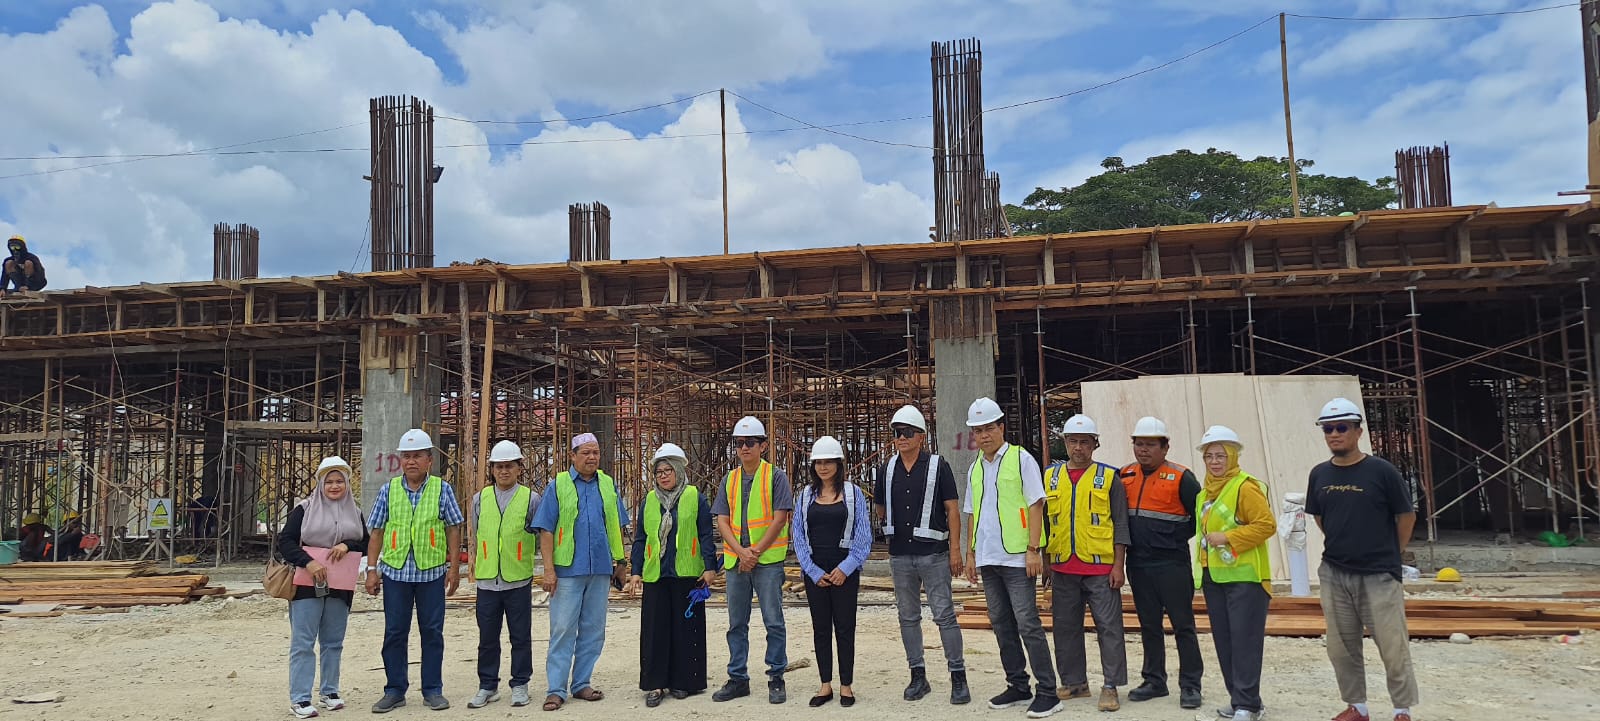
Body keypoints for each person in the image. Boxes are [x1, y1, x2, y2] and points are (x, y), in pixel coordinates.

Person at [1307, 398, 1419, 721]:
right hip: (1335, 573)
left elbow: (1406, 516)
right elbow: (1321, 518)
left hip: (1379, 575)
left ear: (1358, 431)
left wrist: (1391, 553)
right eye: (1328, 429)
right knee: (1341, 647)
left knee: (1393, 645)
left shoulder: (1381, 472)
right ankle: (1357, 707)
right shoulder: (1319, 474)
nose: (1334, 434)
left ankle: (1401, 710)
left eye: (1342, 427)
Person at [961, 397, 1062, 719]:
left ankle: (1048, 692)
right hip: (989, 558)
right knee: (1002, 624)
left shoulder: (1021, 459)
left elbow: (1036, 504)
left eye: (989, 428)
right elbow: (972, 513)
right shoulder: (976, 468)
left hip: (1018, 557)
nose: (984, 435)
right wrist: (970, 553)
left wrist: (1034, 550)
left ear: (1001, 427)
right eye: (978, 430)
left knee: (1027, 623)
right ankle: (1018, 684)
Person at [872, 404, 970, 705]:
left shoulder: (939, 466)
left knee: (944, 615)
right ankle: (918, 676)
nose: (901, 437)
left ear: (921, 437)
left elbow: (952, 510)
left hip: (934, 554)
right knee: (908, 617)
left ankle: (958, 677)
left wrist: (955, 550)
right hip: (900, 555)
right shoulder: (887, 469)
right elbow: (880, 507)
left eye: (907, 432)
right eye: (897, 433)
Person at [363, 428, 465, 713]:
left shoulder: (442, 489)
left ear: (429, 460)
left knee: (432, 632)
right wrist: (371, 569)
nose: (411, 461)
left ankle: (432, 690)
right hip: (396, 574)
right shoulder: (389, 490)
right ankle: (395, 690)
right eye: (406, 456)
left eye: (417, 456)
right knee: (395, 632)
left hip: (431, 573)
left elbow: (453, 528)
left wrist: (454, 568)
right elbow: (377, 532)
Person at [529, 432, 630, 712]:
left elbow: (616, 526)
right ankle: (556, 689)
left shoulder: (607, 484)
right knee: (563, 628)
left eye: (595, 452)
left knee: (593, 629)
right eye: (585, 453)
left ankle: (581, 683)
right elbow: (546, 529)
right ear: (572, 456)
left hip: (600, 568)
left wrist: (621, 563)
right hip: (567, 571)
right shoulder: (558, 485)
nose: (592, 457)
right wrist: (549, 570)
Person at [1043, 414, 1129, 712]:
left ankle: (1111, 686)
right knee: (1065, 628)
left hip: (1100, 568)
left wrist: (1118, 565)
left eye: (1084, 442)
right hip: (1063, 566)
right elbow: (1045, 523)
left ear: (1095, 445)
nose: (1078, 447)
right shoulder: (1050, 477)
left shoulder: (1109, 477)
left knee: (1109, 628)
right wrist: (1045, 561)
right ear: (1065, 443)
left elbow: (1120, 523)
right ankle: (1074, 682)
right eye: (1073, 441)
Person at [1192, 426, 1277, 721]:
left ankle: (1248, 705)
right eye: (1209, 456)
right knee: (1226, 642)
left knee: (1245, 643)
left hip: (1246, 579)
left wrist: (1228, 537)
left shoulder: (1245, 487)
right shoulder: (1204, 493)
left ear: (1232, 456)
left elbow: (1266, 525)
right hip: (1215, 577)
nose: (1215, 462)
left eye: (1221, 456)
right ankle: (1240, 698)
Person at [626, 443, 719, 707]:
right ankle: (655, 684)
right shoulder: (649, 500)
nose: (663, 476)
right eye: (659, 472)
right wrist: (636, 571)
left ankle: (684, 681)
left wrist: (710, 566)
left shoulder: (695, 497)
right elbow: (641, 538)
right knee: (654, 631)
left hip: (688, 573)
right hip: (656, 574)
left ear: (678, 470)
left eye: (668, 470)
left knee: (686, 629)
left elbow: (705, 535)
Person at [1121, 416, 1204, 709]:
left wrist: (1173, 538)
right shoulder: (1125, 475)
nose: (1143, 450)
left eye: (1150, 445)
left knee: (1183, 626)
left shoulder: (1182, 477)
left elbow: (1200, 518)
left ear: (1165, 447)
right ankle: (1154, 681)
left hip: (1172, 564)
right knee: (1149, 625)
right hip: (1138, 564)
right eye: (1139, 444)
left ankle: (1190, 685)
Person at [711, 415, 794, 705]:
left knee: (773, 621)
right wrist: (741, 552)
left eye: (750, 442)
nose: (744, 448)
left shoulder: (776, 477)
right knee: (736, 624)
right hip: (737, 562)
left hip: (767, 561)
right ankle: (738, 678)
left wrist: (754, 552)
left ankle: (776, 676)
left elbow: (780, 518)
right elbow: (722, 521)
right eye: (739, 443)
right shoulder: (730, 479)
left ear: (763, 446)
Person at [279, 457, 369, 719]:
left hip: (340, 585)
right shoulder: (304, 509)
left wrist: (347, 545)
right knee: (303, 642)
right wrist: (308, 562)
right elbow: (285, 541)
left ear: (347, 483)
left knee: (333, 641)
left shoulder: (355, 512)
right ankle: (300, 698)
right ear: (320, 484)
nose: (334, 486)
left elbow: (367, 543)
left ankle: (330, 691)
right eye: (329, 481)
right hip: (307, 584)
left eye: (340, 481)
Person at [791, 436, 872, 708]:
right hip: (816, 570)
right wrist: (812, 571)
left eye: (828, 462)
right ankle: (825, 684)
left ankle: (846, 685)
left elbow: (863, 536)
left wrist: (846, 568)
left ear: (839, 464)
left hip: (844, 569)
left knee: (845, 627)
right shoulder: (805, 495)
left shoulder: (853, 494)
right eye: (818, 463)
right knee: (821, 628)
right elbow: (798, 536)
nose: (823, 467)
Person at [467, 440, 543, 709]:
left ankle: (520, 684)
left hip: (517, 579)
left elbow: (539, 535)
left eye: (509, 466)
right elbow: (477, 532)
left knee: (520, 636)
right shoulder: (480, 499)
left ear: (519, 468)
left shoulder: (531, 499)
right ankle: (487, 686)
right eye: (498, 466)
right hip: (488, 581)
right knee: (487, 638)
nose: (503, 471)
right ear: (492, 469)